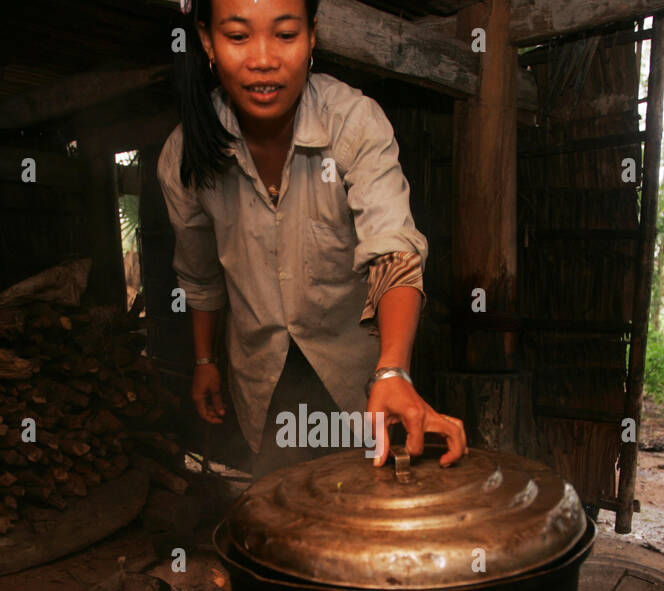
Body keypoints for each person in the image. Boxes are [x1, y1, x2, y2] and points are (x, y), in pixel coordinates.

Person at [158, 0, 467, 478]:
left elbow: (393, 246)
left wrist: (393, 372)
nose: (263, 58)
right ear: (207, 43)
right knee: (284, 510)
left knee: (370, 510)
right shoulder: (184, 156)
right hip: (260, 378)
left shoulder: (354, 121)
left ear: (312, 37)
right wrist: (205, 359)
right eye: (238, 36)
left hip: (358, 379)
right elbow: (200, 274)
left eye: (284, 34)